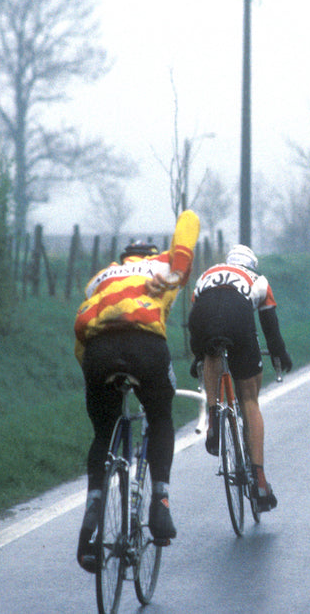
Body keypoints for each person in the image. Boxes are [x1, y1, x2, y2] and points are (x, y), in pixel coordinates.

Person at [73, 210, 200, 573]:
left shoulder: (102, 277)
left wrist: (93, 376)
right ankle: (160, 501)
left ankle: (91, 515)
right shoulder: (163, 266)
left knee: (103, 432)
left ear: (124, 258)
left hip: (97, 350)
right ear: (151, 255)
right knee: (161, 416)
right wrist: (177, 269)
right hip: (146, 346)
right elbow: (189, 220)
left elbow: (82, 331)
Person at [188, 244, 292, 511]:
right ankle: (259, 479)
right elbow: (270, 328)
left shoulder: (206, 274)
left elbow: (199, 318)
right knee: (250, 401)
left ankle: (214, 415)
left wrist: (198, 356)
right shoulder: (258, 280)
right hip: (238, 315)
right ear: (252, 265)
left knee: (212, 352)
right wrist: (279, 355)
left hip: (202, 314)